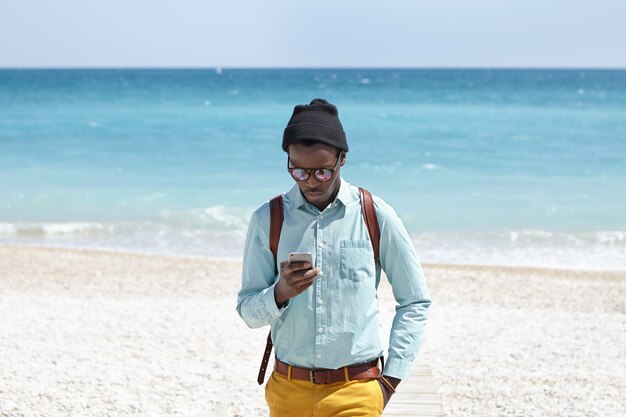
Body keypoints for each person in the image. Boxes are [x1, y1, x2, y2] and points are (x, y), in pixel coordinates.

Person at [236, 98, 431, 417]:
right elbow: (248, 312)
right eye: (298, 170)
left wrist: (391, 380)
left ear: (342, 159)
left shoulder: (375, 214)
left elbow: (415, 302)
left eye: (322, 172)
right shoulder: (268, 219)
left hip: (357, 390)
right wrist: (280, 292)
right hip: (287, 391)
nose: (310, 181)